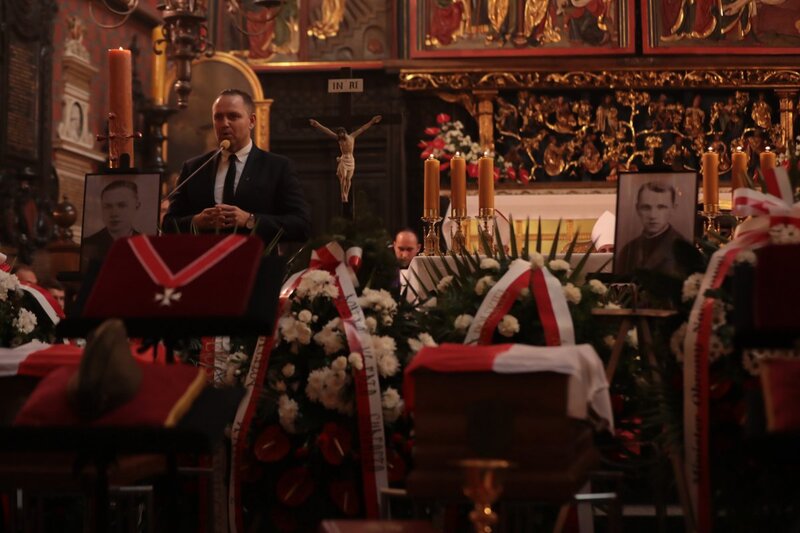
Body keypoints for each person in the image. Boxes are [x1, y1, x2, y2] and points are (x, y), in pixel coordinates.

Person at [164, 89, 310, 246]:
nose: (224, 124)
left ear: (252, 121)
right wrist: (196, 222)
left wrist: (250, 220)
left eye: (233, 116)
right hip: (205, 259)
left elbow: (301, 226)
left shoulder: (278, 167)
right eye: (218, 117)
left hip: (256, 260)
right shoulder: (194, 168)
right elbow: (168, 224)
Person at [615, 181, 689, 277]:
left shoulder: (684, 250)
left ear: (673, 209)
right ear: (637, 209)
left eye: (661, 207)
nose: (653, 216)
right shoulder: (627, 251)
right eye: (646, 207)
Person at [309, 115, 382, 203]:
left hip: (350, 160)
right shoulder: (339, 139)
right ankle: (343, 194)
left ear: (344, 132)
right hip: (343, 159)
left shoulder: (352, 136)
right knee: (343, 177)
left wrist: (372, 121)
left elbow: (363, 128)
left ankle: (346, 193)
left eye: (341, 134)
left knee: (348, 179)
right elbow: (328, 131)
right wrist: (317, 125)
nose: (340, 135)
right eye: (339, 134)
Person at [81, 180, 141, 271]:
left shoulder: (146, 246)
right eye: (108, 206)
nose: (114, 213)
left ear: (137, 206)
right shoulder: (88, 245)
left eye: (121, 205)